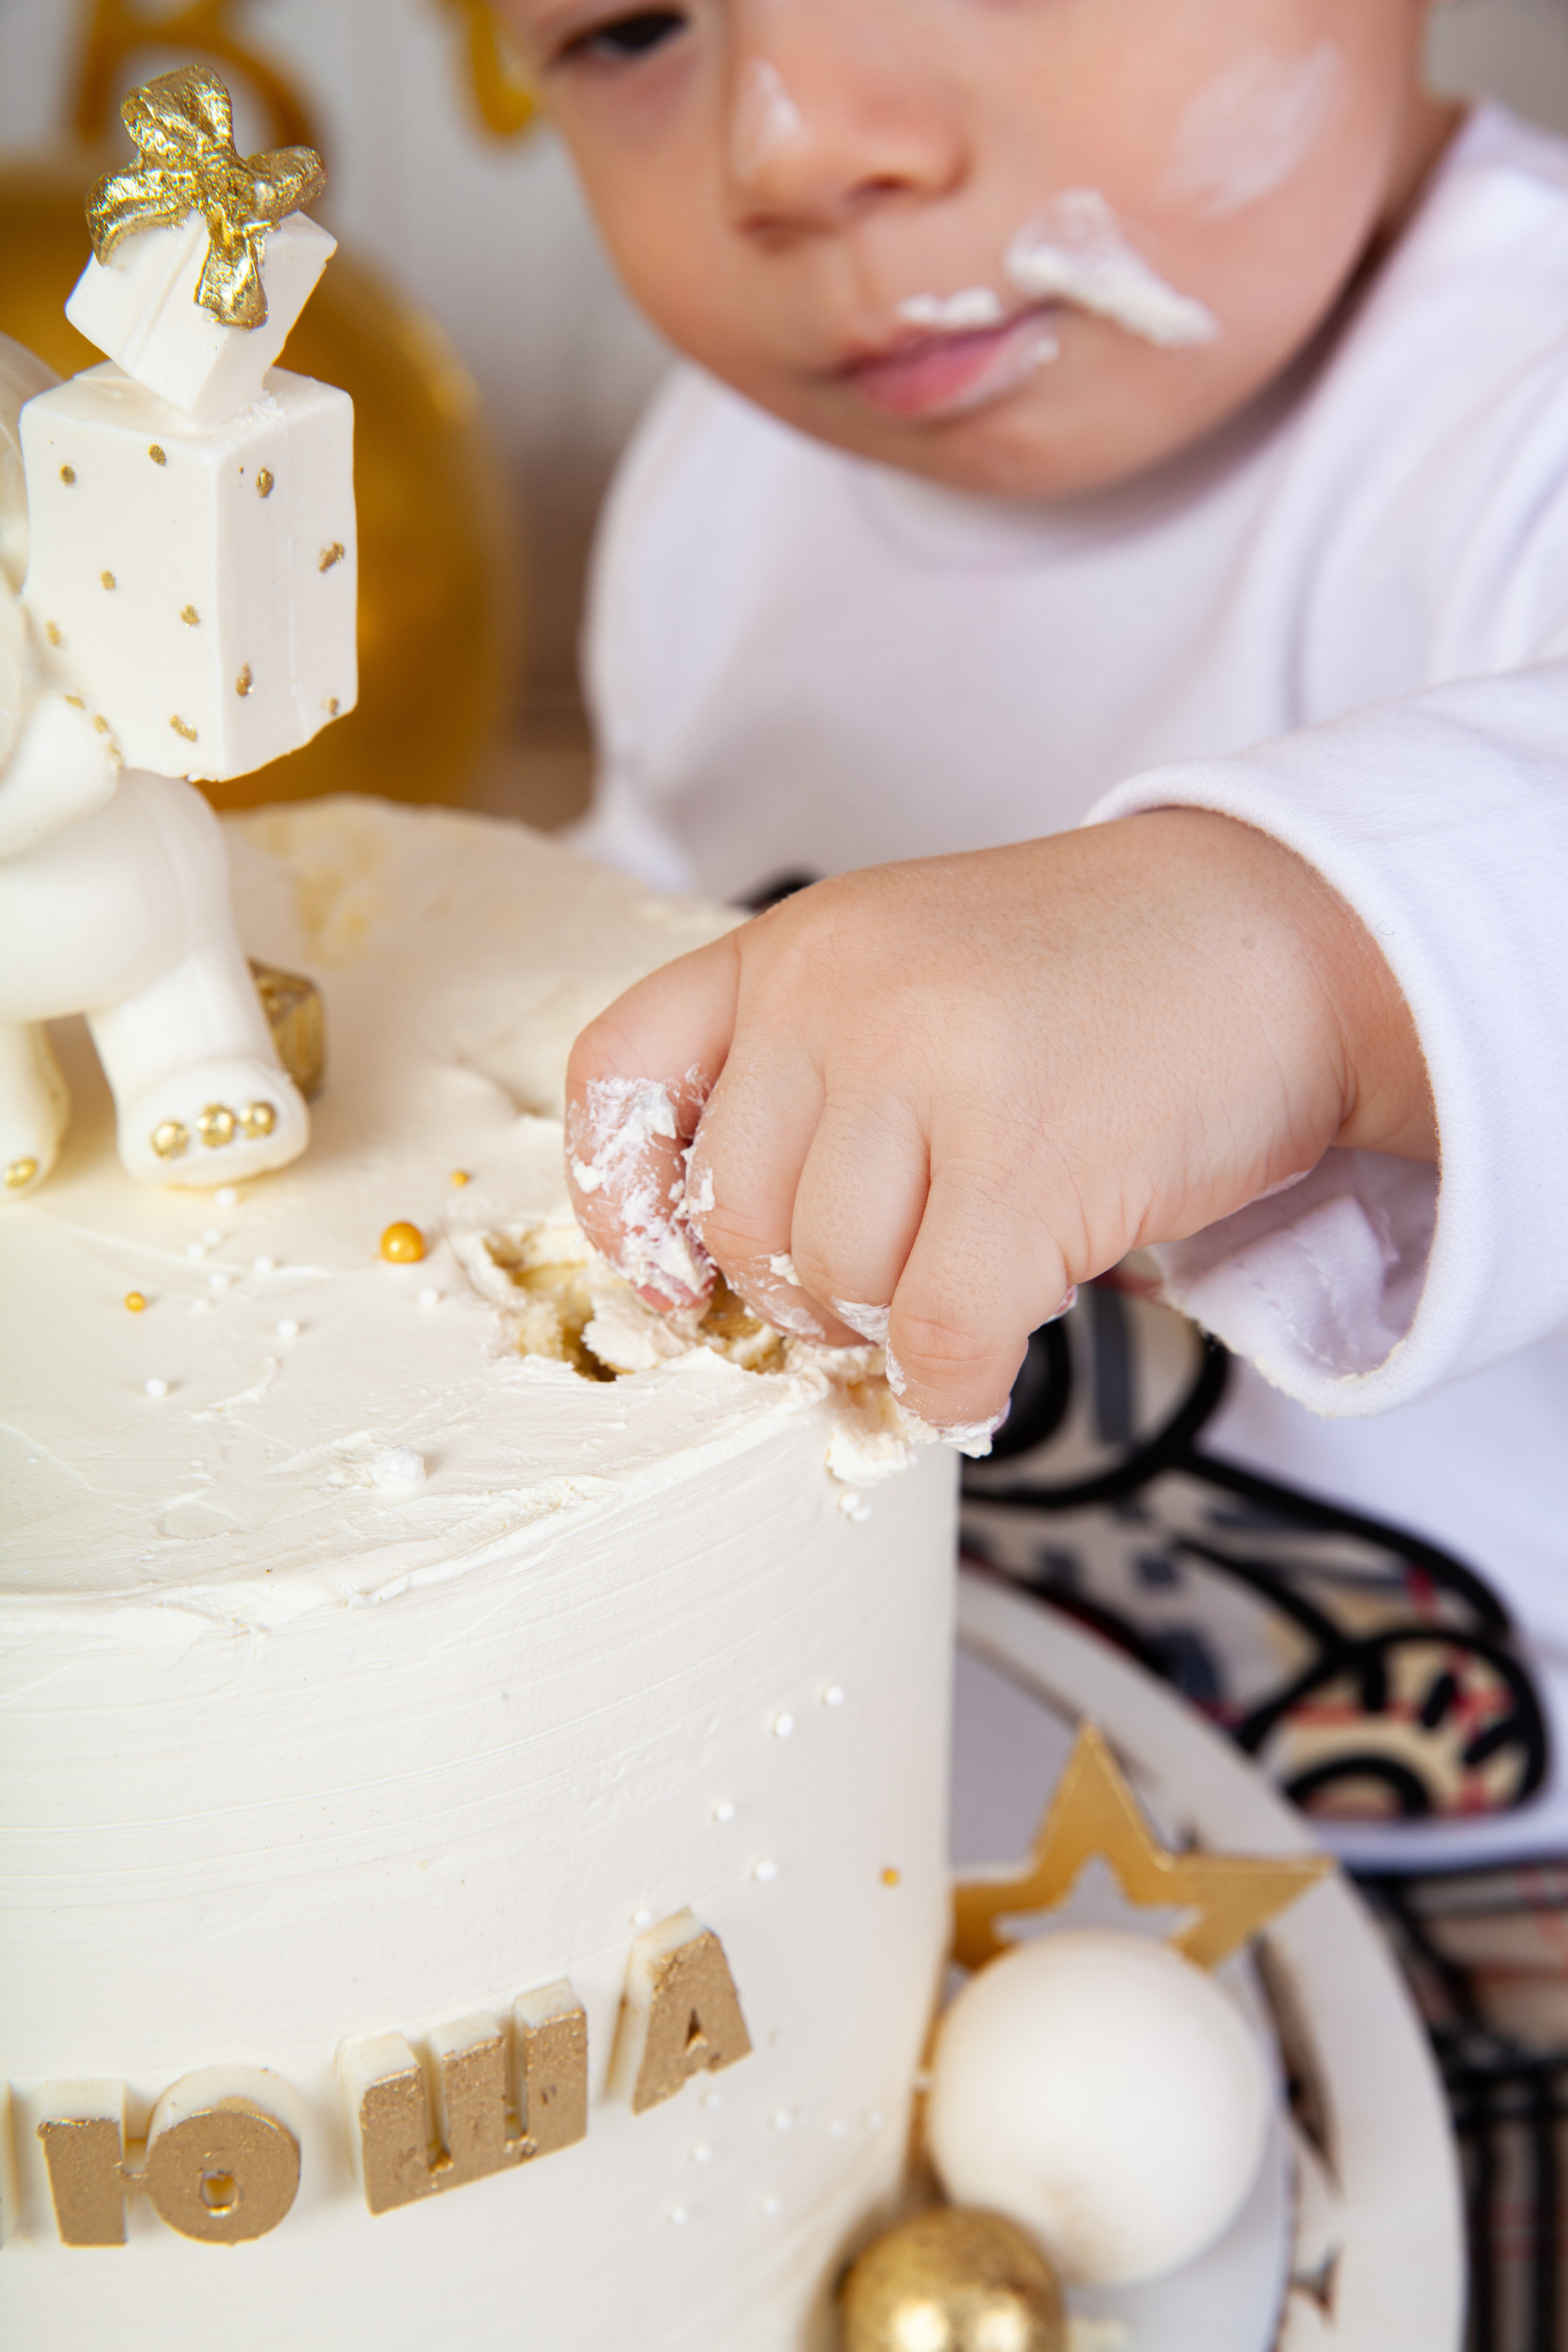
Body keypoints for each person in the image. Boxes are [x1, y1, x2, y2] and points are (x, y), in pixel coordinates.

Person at [500, 0, 1568, 1867]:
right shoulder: (724, 489)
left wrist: (1298, 962)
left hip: (1482, 1876)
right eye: (635, 26)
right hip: (888, 1796)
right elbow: (642, 950)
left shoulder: (1521, 412)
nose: (791, 145)